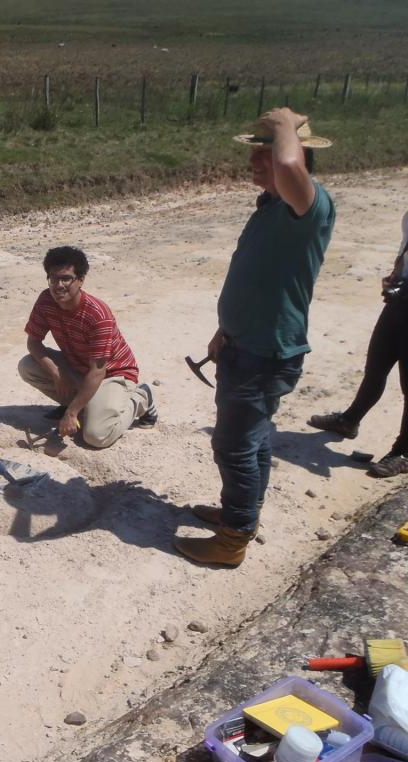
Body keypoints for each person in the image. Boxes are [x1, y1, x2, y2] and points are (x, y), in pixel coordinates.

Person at [175, 108, 335, 568]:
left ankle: (233, 538)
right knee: (255, 439)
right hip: (246, 346)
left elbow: (289, 168)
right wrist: (225, 329)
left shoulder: (310, 208)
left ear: (297, 156)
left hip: (265, 356)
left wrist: (288, 123)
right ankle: (239, 516)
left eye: (263, 154)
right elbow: (258, 281)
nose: (254, 163)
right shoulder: (272, 208)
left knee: (235, 446)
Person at [18, 245, 157, 450]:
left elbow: (98, 371)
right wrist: (57, 373)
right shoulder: (46, 300)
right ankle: (82, 406)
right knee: (28, 366)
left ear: (81, 280)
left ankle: (141, 398)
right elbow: (33, 343)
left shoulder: (97, 315)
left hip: (112, 374)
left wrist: (71, 413)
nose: (58, 285)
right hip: (79, 366)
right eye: (53, 278)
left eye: (66, 278)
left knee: (96, 435)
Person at [308, 211, 408, 478]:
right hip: (400, 302)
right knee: (376, 367)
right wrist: (394, 277)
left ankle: (403, 452)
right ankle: (349, 421)